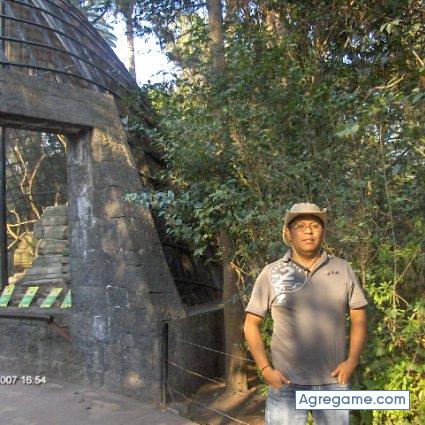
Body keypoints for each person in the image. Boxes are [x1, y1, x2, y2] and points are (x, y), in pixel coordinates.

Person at [244, 203, 368, 425]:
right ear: (288, 233)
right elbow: (250, 324)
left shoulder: (342, 269)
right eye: (300, 226)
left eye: (314, 225)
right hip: (286, 385)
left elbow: (358, 318)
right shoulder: (272, 273)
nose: (308, 231)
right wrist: (265, 369)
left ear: (323, 232)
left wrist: (352, 361)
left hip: (333, 384)